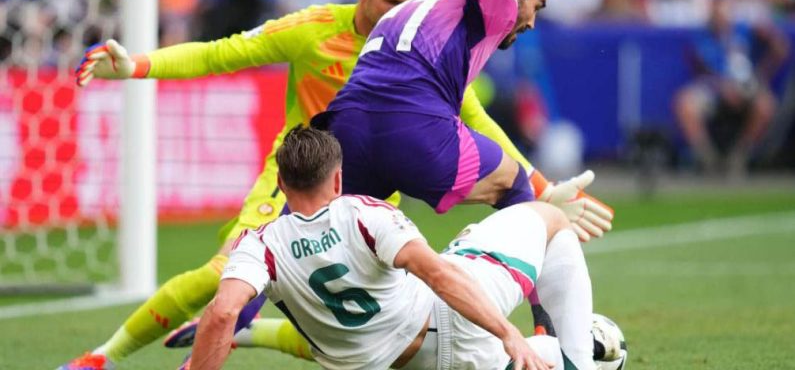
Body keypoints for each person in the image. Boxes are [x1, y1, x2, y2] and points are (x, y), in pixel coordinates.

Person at [59, 0, 579, 370]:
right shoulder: (314, 27)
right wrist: (137, 67)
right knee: (225, 276)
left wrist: (540, 184)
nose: (400, 12)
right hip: (294, 176)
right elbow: (220, 52)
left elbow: (475, 120)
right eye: (389, 1)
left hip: (367, 193)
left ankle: (246, 333)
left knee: (358, 319)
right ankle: (104, 357)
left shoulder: (417, 46)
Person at [191, 126, 597, 370]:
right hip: (456, 329)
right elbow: (438, 275)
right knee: (551, 221)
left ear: (281, 185)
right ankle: (573, 357)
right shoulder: (363, 213)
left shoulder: (259, 246)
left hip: (397, 364)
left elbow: (224, 311)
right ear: (337, 180)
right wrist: (510, 333)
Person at [314, 0, 612, 236]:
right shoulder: (499, 7)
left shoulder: (415, 11)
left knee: (325, 232)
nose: (532, 21)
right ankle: (521, 282)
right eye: (537, 6)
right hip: (415, 129)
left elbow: (474, 116)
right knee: (513, 184)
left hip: (345, 129)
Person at [673, 0, 788, 175]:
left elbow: (781, 49)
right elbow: (707, 71)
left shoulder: (745, 30)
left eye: (726, 12)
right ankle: (708, 159)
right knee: (685, 103)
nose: (722, 17)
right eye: (718, 12)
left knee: (765, 105)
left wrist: (763, 71)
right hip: (714, 89)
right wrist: (725, 88)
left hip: (746, 86)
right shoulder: (702, 37)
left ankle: (739, 157)